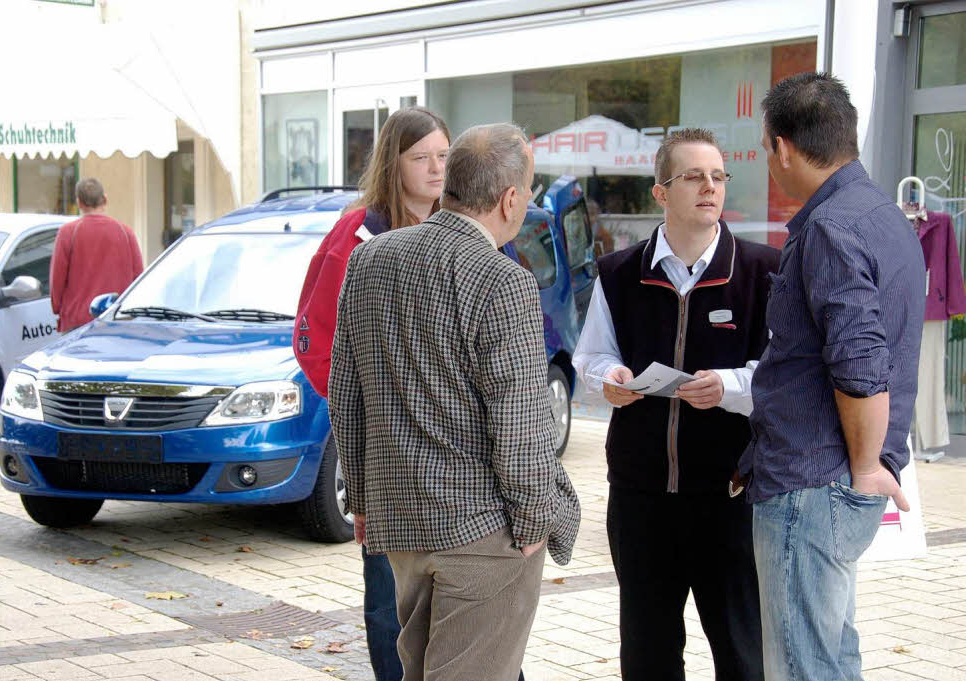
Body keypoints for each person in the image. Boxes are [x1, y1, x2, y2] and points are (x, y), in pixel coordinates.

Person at [328, 123, 580, 681]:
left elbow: (345, 393)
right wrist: (537, 522)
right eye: (529, 191)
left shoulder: (370, 260)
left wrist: (365, 501)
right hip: (484, 533)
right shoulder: (502, 280)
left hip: (402, 529)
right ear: (511, 198)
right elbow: (518, 424)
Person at [737, 72, 925, 681]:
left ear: (783, 147)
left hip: (813, 484)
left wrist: (867, 466)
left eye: (767, 148)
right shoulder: (883, 215)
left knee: (802, 667)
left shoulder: (829, 227)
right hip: (836, 480)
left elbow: (862, 363)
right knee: (830, 657)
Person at [573, 128, 779, 680]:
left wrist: (730, 387)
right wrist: (608, 378)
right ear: (661, 192)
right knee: (647, 654)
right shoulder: (618, 273)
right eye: (694, 176)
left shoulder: (762, 272)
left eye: (717, 176)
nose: (709, 187)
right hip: (641, 499)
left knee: (742, 653)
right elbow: (591, 357)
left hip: (729, 497)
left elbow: (783, 379)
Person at [293, 107, 450, 681]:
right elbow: (314, 338)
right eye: (421, 157)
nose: (436, 169)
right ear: (394, 162)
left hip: (451, 458)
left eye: (443, 155)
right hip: (386, 459)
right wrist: (367, 410)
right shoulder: (358, 233)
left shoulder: (458, 226)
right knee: (390, 604)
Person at [49, 178, 143, 333]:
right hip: (117, 320)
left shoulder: (68, 233)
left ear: (79, 203)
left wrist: (58, 309)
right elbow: (138, 277)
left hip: (77, 320)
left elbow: (57, 280)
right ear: (105, 199)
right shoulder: (125, 232)